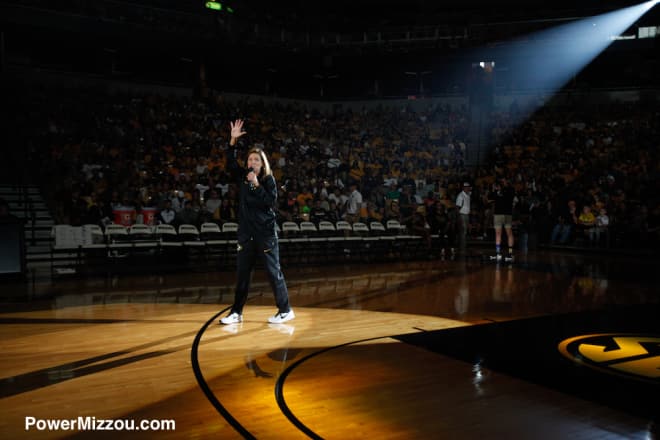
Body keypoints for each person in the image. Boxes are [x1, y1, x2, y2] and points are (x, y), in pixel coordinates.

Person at [219, 119, 295, 325]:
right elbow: (230, 163)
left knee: (273, 272)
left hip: (265, 234)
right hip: (246, 234)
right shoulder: (244, 177)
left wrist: (255, 185)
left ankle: (285, 310)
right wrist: (233, 141)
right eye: (250, 159)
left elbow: (269, 202)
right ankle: (236, 312)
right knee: (243, 274)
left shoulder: (267, 180)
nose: (252, 162)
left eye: (256, 160)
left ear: (263, 164)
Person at [489, 178, 516, 262]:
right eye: (502, 181)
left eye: (504, 181)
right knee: (498, 233)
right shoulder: (497, 190)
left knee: (509, 233)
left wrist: (499, 190)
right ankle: (498, 254)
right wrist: (494, 190)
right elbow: (489, 199)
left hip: (507, 214)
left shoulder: (511, 189)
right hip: (498, 214)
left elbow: (510, 197)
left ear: (507, 182)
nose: (502, 182)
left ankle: (510, 254)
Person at [455, 182, 472, 254]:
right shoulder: (460, 195)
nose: (467, 188)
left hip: (466, 215)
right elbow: (457, 207)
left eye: (468, 187)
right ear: (463, 188)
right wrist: (459, 217)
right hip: (462, 215)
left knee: (465, 231)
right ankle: (462, 248)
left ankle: (463, 247)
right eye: (466, 187)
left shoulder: (468, 195)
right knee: (463, 231)